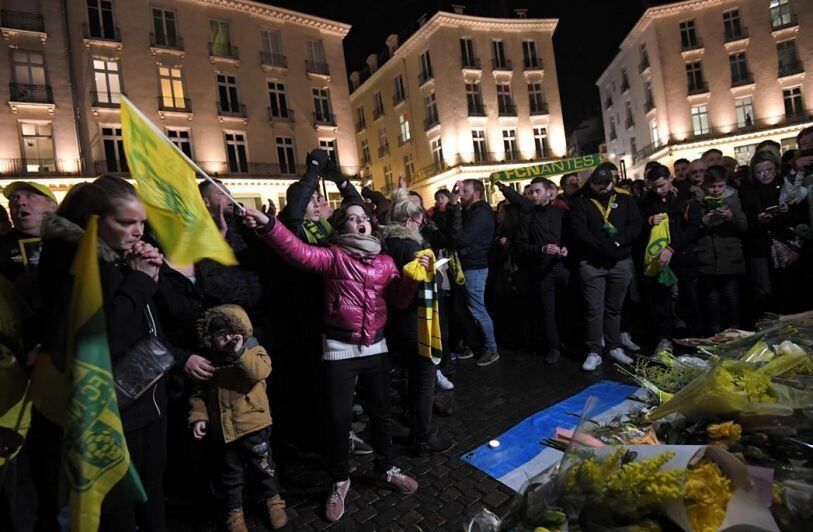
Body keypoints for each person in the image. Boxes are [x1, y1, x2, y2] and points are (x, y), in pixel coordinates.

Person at [242, 201, 422, 523]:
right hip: (340, 348)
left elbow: (399, 300)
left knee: (381, 415)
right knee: (338, 420)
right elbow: (297, 251)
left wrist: (411, 279)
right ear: (342, 228)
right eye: (352, 219)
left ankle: (385, 468)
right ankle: (340, 479)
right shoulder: (334, 257)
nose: (361, 222)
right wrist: (268, 225)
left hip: (376, 347)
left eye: (364, 217)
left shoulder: (385, 262)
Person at [38, 176, 174, 531]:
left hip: (148, 395)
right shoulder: (77, 262)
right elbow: (104, 335)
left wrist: (144, 272)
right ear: (92, 221)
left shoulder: (116, 256)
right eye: (126, 222)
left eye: (141, 222)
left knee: (152, 488)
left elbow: (148, 319)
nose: (138, 231)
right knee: (118, 500)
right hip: (112, 406)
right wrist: (140, 281)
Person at [190, 304, 287, 532]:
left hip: (254, 426)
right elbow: (198, 394)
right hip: (224, 431)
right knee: (230, 476)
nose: (229, 338)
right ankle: (234, 512)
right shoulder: (208, 363)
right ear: (210, 339)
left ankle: (273, 500)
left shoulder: (255, 352)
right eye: (220, 335)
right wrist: (198, 417)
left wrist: (241, 352)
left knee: (264, 468)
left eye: (233, 332)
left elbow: (259, 373)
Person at [381, 190, 454, 455]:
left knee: (410, 377)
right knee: (424, 380)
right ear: (411, 220)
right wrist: (437, 272)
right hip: (416, 322)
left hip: (396, 324)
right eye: (419, 217)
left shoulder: (387, 243)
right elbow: (425, 281)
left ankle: (413, 424)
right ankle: (422, 438)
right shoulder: (413, 248)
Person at [569, 163, 641, 371]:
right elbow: (579, 232)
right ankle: (594, 351)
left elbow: (635, 225)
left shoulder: (625, 200)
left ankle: (614, 346)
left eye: (606, 184)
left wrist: (617, 243)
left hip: (620, 262)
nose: (603, 188)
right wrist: (604, 247)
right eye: (598, 184)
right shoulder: (582, 203)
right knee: (594, 309)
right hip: (593, 264)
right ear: (591, 184)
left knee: (614, 308)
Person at [639, 164, 702, 352]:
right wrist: (648, 222)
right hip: (658, 259)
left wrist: (672, 248)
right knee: (661, 301)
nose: (658, 191)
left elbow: (695, 227)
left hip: (682, 256)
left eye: (661, 185)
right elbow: (635, 226)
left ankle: (695, 339)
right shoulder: (645, 202)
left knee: (690, 297)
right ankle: (664, 338)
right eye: (653, 187)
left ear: (670, 179)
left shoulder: (686, 198)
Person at [509, 178, 569, 364]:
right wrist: (541, 249)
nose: (533, 195)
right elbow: (521, 246)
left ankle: (570, 341)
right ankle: (553, 347)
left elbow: (570, 236)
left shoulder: (561, 213)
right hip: (541, 270)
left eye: (537, 191)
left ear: (548, 192)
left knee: (569, 305)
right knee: (547, 310)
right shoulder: (527, 217)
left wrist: (567, 248)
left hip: (563, 266)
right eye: (531, 192)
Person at [447, 179, 499, 366]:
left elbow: (460, 239)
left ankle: (492, 348)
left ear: (476, 193)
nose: (461, 195)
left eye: (465, 191)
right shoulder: (471, 212)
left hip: (474, 266)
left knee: (478, 310)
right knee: (465, 308)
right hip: (467, 265)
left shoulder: (481, 213)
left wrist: (453, 206)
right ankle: (476, 344)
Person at [740, 149, 794, 321]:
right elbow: (744, 218)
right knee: (763, 289)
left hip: (783, 243)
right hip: (759, 245)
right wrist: (757, 218)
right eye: (759, 171)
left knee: (785, 285)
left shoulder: (785, 185)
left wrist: (786, 210)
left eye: (768, 170)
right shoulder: (748, 189)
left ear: (776, 169)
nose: (764, 175)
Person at [695, 166, 748, 334]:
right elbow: (693, 228)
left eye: (720, 186)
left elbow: (744, 226)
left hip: (730, 257)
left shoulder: (733, 199)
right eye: (712, 186)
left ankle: (734, 332)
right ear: (705, 186)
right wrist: (706, 219)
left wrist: (730, 217)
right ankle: (715, 333)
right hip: (707, 258)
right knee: (712, 300)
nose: (716, 190)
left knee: (732, 298)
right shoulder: (698, 200)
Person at [0, 182, 57, 282]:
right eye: (14, 198)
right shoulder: (2, 245)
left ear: (53, 206)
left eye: (30, 196)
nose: (19, 202)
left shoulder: (73, 241)